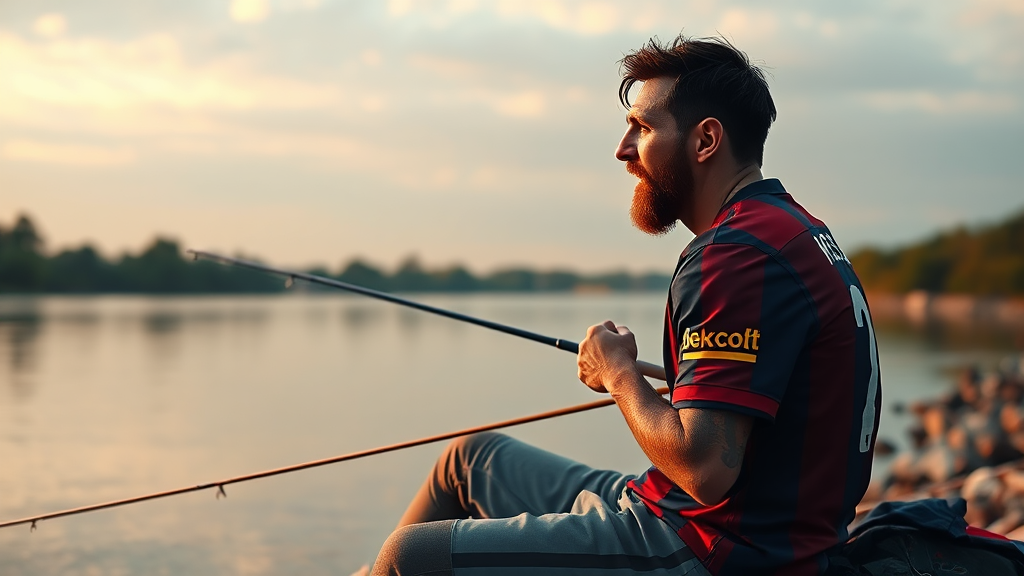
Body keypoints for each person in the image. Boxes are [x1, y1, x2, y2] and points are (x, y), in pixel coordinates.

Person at [368, 34, 881, 576]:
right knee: (469, 462)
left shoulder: (734, 256)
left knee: (409, 558)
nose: (623, 148)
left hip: (717, 549)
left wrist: (618, 375)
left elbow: (705, 469)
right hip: (719, 520)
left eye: (643, 126)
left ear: (705, 140)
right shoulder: (795, 231)